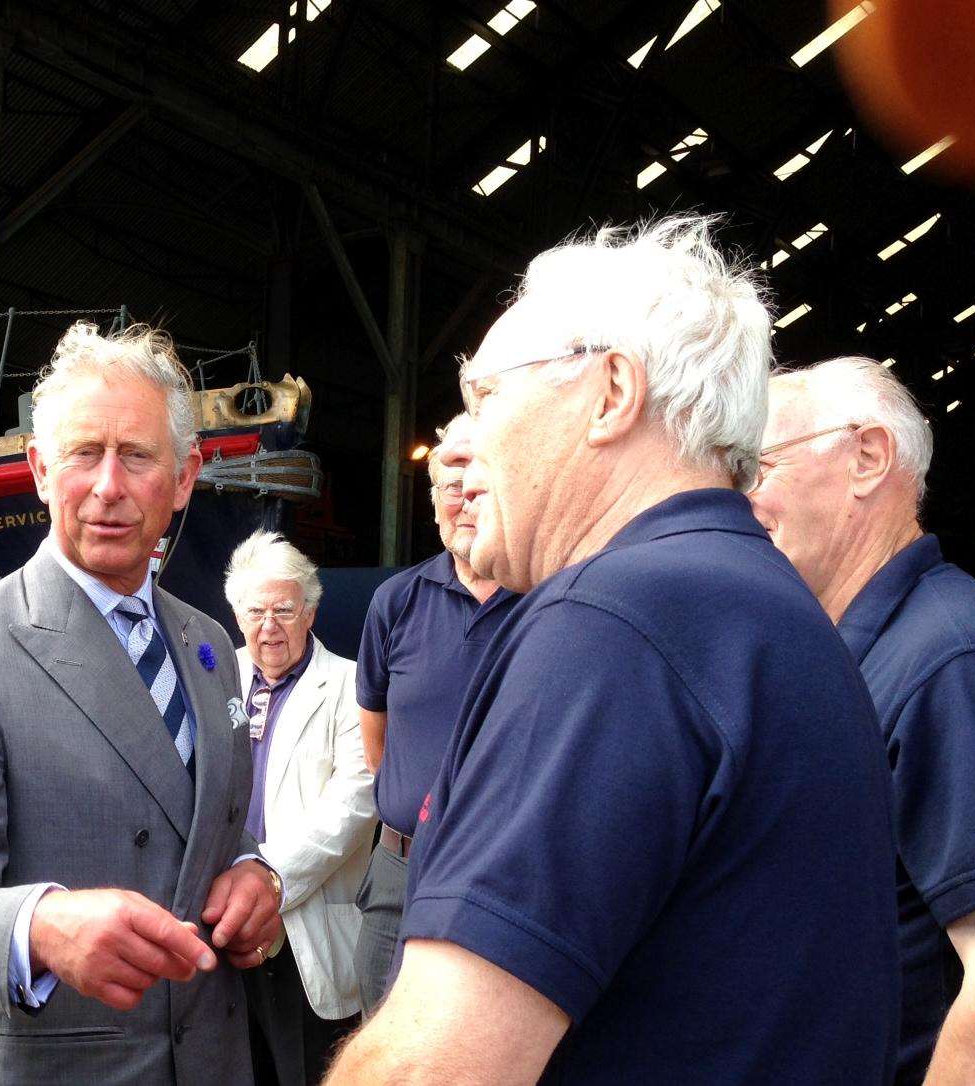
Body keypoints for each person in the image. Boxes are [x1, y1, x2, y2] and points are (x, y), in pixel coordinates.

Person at [326, 216, 899, 1084]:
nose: (464, 444)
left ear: (612, 394)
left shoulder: (610, 624)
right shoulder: (774, 610)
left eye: (487, 397)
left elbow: (434, 1067)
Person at [0, 321, 284, 1085]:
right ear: (39, 468)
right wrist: (40, 928)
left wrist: (257, 878)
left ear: (184, 476)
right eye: (82, 454)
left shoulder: (208, 648)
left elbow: (219, 830)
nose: (108, 487)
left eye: (136, 456)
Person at [749, 357, 975, 1086]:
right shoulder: (852, 646)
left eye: (755, 466)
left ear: (867, 457)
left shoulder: (955, 659)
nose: (735, 500)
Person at [351, 413, 520, 1013]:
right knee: (375, 1041)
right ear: (434, 500)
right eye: (453, 485)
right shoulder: (395, 602)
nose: (466, 501)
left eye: (482, 484)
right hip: (396, 872)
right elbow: (380, 743)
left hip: (499, 880)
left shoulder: (549, 603)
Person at [225, 530, 375, 1083]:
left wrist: (267, 878)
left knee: (307, 1070)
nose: (270, 627)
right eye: (256, 611)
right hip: (220, 923)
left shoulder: (349, 684)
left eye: (285, 610)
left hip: (302, 926)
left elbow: (356, 803)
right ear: (237, 614)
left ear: (310, 613)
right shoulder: (211, 675)